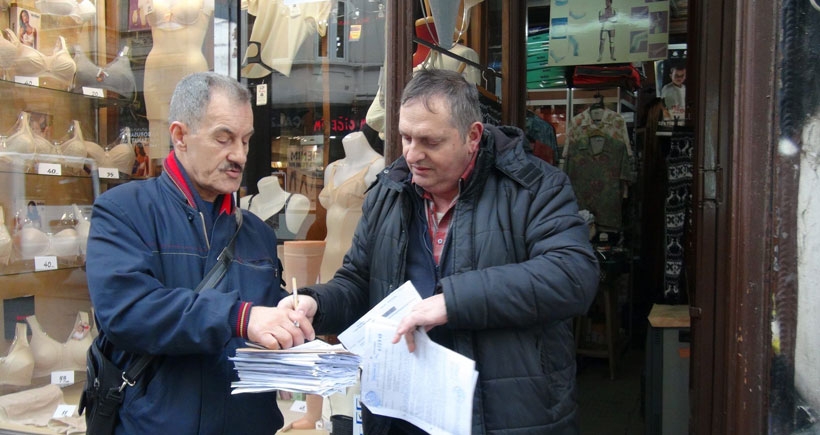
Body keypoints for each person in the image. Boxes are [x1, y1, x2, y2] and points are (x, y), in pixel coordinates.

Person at [279, 68, 599, 434]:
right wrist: (315, 304)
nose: (413, 154)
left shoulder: (535, 188)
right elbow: (358, 281)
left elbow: (573, 275)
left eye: (430, 141)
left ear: (472, 137)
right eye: (405, 138)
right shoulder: (390, 192)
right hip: (402, 413)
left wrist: (451, 302)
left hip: (507, 416)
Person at [85, 72, 315, 434]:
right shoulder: (124, 211)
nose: (238, 155)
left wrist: (290, 315)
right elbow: (127, 310)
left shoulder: (256, 233)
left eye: (246, 140)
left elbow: (262, 316)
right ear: (180, 137)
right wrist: (240, 318)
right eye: (223, 139)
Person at [142, 0, 213, 160]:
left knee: (194, 127)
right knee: (157, 130)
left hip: (191, 67)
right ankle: (157, 175)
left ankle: (192, 179)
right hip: (155, 69)